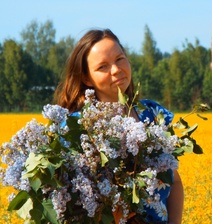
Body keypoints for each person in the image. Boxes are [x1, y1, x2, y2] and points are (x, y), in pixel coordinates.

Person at [54, 28, 184, 224]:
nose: (116, 70)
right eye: (103, 67)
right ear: (87, 78)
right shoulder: (75, 128)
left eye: (119, 59)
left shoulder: (152, 115)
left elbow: (174, 181)